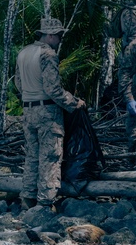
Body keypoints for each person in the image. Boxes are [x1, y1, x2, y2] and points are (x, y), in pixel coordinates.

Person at [14, 17, 85, 211]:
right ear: (51, 35)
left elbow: (18, 84)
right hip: (47, 112)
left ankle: (27, 197)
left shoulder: (23, 53)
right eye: (59, 35)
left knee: (32, 156)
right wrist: (73, 102)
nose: (61, 39)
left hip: (28, 110)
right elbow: (53, 89)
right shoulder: (48, 55)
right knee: (51, 156)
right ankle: (46, 201)